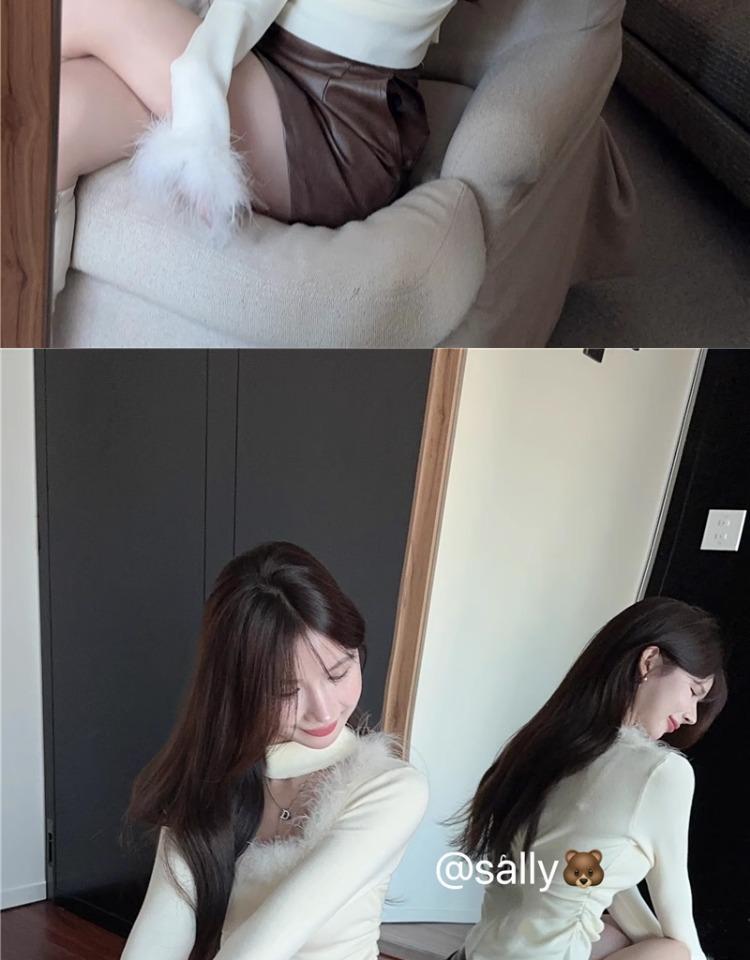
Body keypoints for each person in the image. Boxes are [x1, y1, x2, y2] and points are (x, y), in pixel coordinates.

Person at [119, 541, 429, 960]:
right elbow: (156, 939)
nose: (323, 710)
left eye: (338, 673)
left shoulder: (392, 788)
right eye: (285, 691)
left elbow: (258, 950)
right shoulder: (211, 777)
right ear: (236, 689)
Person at [52, 0, 476, 306]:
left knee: (87, 7)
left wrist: (199, 112)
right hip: (256, 54)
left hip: (332, 120)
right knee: (58, 116)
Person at [442, 597, 726, 960]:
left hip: (477, 952)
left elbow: (591, 876)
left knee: (617, 933)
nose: (690, 716)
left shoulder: (543, 745)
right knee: (673, 953)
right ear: (649, 661)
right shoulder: (661, 772)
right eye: (693, 691)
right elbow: (676, 910)